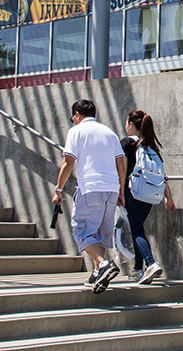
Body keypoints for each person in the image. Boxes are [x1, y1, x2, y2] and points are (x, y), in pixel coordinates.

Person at [52, 99, 126, 293]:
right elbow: (121, 162)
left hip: (90, 188)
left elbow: (68, 162)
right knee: (100, 234)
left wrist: (58, 190)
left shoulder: (76, 132)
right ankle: (97, 274)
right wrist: (121, 190)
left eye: (72, 117)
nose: (73, 120)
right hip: (111, 189)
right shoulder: (110, 133)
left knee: (81, 230)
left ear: (77, 114)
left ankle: (102, 264)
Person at [121, 109, 176, 284]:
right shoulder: (151, 146)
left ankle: (151, 264)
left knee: (137, 231)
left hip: (133, 193)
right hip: (150, 195)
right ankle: (138, 269)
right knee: (138, 230)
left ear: (131, 124)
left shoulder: (127, 144)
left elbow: (121, 169)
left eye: (126, 123)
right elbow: (162, 174)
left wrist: (118, 191)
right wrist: (168, 197)